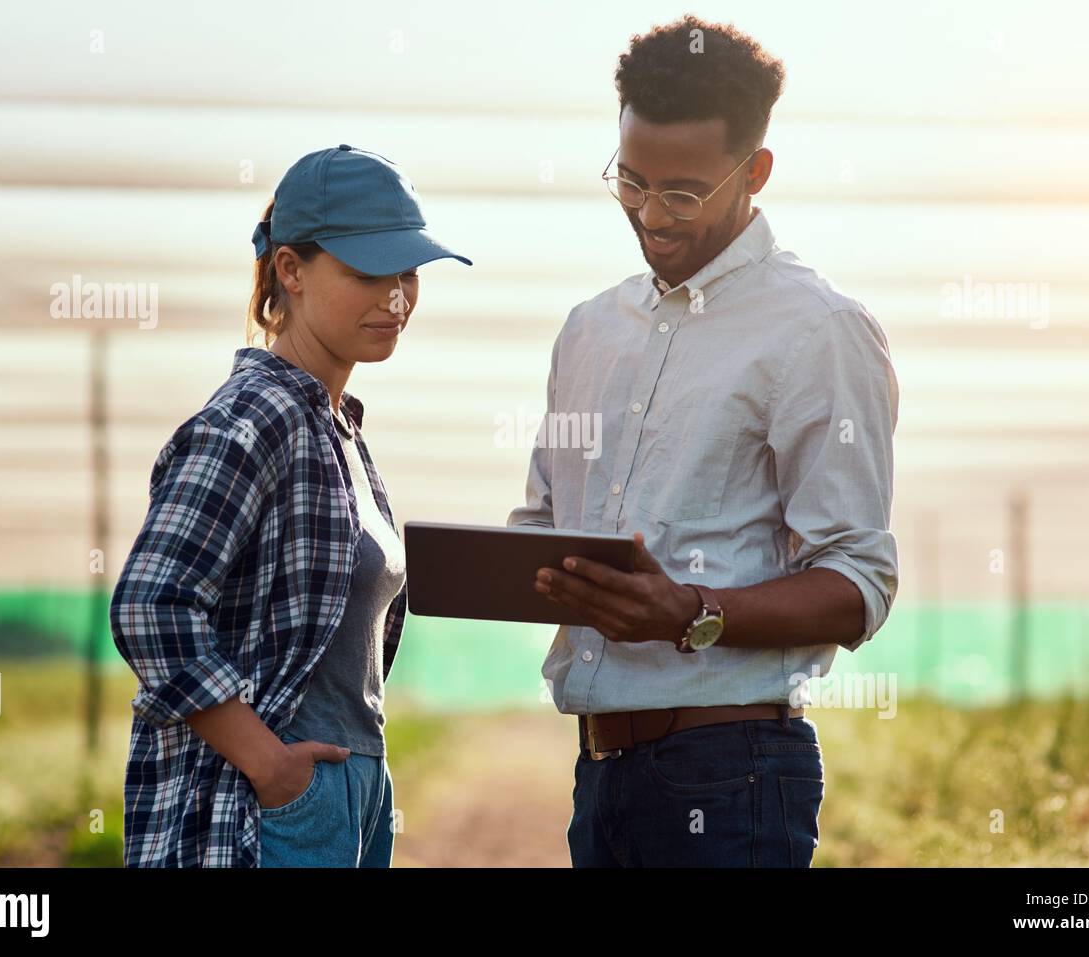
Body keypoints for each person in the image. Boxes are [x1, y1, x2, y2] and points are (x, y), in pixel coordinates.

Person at [508, 16, 899, 867]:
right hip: (601, 771)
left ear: (755, 171)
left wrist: (691, 613)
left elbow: (858, 583)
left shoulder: (817, 331)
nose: (650, 214)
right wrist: (512, 568)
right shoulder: (588, 332)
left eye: (681, 192)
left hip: (732, 779)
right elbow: (543, 521)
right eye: (631, 181)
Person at [110, 144, 470, 867]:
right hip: (270, 805)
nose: (396, 297)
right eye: (369, 272)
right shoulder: (254, 417)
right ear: (291, 269)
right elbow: (150, 604)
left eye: (408, 273)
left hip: (352, 785)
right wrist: (273, 769)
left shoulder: (337, 427)